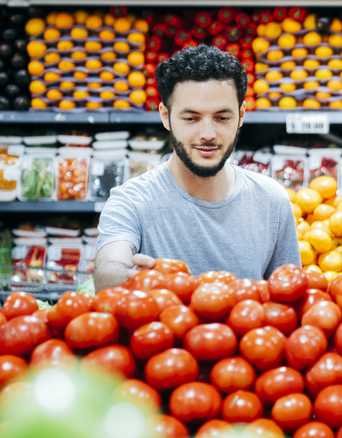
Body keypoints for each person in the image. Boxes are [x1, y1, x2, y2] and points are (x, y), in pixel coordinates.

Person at [94, 44, 300, 290]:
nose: (207, 134)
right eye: (191, 118)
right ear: (165, 116)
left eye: (222, 118)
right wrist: (125, 277)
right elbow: (109, 268)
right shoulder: (131, 201)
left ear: (241, 115)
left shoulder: (272, 200)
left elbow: (290, 296)